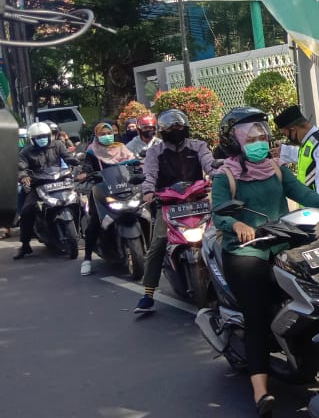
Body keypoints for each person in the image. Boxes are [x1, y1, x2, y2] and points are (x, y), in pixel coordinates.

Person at [211, 107, 319, 418]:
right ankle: (261, 391)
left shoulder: (274, 167)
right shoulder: (227, 174)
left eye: (261, 133)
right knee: (256, 319)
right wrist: (236, 226)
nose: (259, 139)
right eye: (251, 136)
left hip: (284, 244)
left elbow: (300, 191)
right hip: (248, 252)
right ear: (233, 141)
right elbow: (219, 211)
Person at [135, 109, 214, 315]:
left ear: (186, 127)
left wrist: (218, 174)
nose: (174, 130)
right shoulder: (155, 152)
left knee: (222, 236)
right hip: (168, 204)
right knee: (158, 244)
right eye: (169, 127)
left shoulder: (199, 146)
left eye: (178, 126)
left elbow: (210, 164)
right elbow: (150, 174)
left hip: (199, 202)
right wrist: (148, 191)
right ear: (162, 131)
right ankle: (148, 293)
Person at [79, 121, 139, 276]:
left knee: (144, 210)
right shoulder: (92, 152)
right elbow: (87, 167)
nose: (107, 136)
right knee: (94, 223)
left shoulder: (122, 148)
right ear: (97, 136)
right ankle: (87, 259)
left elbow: (134, 164)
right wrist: (86, 173)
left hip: (125, 189)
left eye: (109, 133)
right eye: (103, 134)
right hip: (102, 191)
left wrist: (140, 168)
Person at [14, 121, 73, 259]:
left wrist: (77, 164)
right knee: (27, 211)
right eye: (38, 137)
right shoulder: (26, 151)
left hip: (60, 182)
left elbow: (68, 158)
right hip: (38, 185)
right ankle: (25, 245)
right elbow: (21, 167)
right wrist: (23, 177)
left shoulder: (58, 145)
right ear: (32, 139)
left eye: (44, 136)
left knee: (79, 202)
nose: (42, 139)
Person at [273, 105, 319, 200]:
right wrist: (283, 151)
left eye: (286, 134)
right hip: (314, 209)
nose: (287, 138)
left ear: (293, 130)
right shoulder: (312, 142)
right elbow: (306, 157)